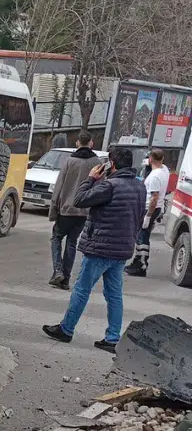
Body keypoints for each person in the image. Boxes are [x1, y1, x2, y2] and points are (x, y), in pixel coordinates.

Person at [42, 146, 147, 353]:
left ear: (112, 164)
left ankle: (66, 329)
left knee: (82, 290)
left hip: (100, 248)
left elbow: (79, 200)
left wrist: (90, 178)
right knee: (114, 295)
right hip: (121, 249)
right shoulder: (139, 187)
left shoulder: (109, 186)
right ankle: (112, 337)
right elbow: (139, 217)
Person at [48, 131, 101, 289]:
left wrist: (53, 208)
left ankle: (58, 270)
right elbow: (99, 188)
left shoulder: (69, 161)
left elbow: (59, 186)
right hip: (84, 211)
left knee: (56, 238)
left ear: (77, 143)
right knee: (71, 242)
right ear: (91, 143)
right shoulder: (97, 162)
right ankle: (65, 279)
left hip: (66, 208)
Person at [126, 148, 170, 277]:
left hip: (149, 208)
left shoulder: (155, 177)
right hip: (154, 208)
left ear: (150, 159)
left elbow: (154, 197)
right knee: (141, 235)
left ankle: (142, 264)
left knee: (142, 236)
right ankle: (137, 260)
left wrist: (148, 215)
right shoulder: (164, 170)